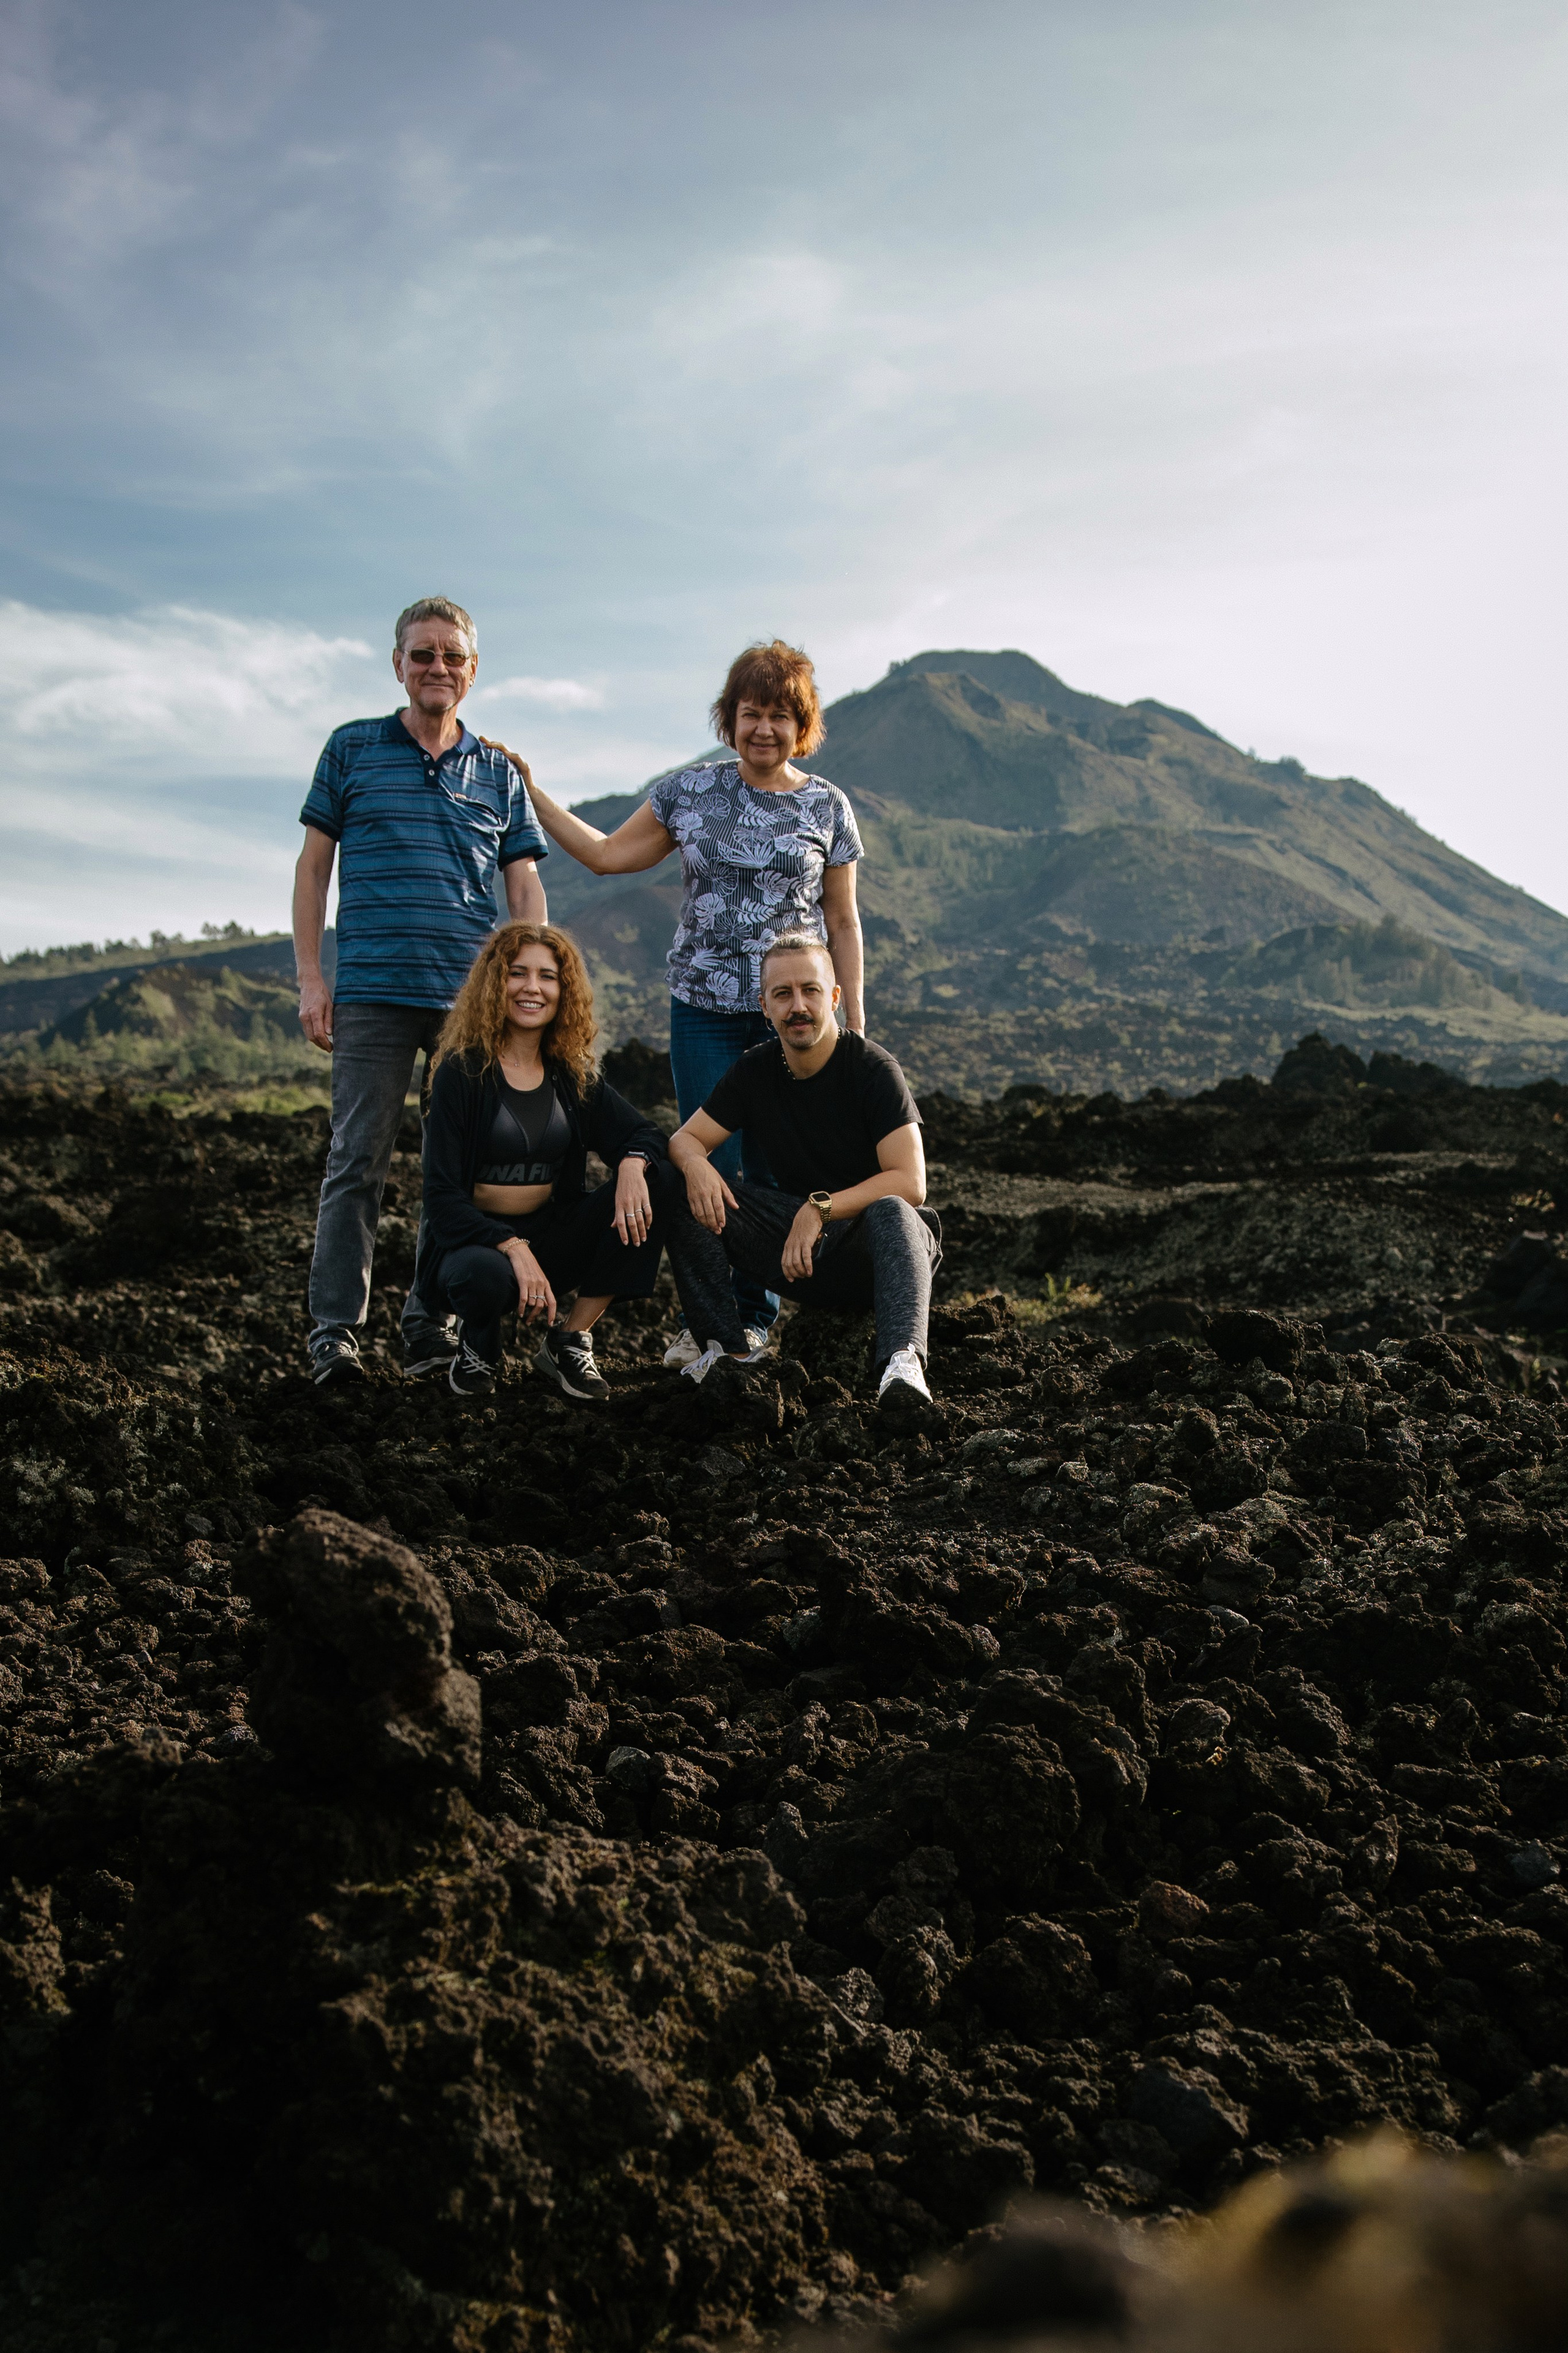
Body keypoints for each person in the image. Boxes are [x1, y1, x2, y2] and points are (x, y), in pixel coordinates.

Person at [481, 638, 864, 1365]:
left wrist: (856, 1021)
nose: (764, 730)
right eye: (752, 713)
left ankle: (758, 1314)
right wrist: (531, 790)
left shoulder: (827, 806)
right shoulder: (690, 793)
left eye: (781, 716)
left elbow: (842, 920)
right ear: (729, 718)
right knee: (707, 1164)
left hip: (799, 1018)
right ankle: (712, 1318)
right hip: (706, 1007)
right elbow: (603, 854)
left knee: (780, 1169)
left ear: (802, 725)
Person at [294, 596, 548, 1388]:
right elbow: (312, 869)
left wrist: (526, 984)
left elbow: (525, 886)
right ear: (398, 664)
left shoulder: (498, 772)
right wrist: (312, 977)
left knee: (460, 1170)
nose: (437, 667)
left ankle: (428, 1322)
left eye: (451, 656)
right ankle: (335, 1331)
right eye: (422, 654)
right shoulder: (350, 751)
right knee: (356, 1161)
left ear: (471, 670)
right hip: (369, 991)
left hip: (466, 1006)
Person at [663, 934, 938, 1407]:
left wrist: (820, 1209)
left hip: (876, 1252)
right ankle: (726, 1352)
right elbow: (684, 1139)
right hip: (799, 1252)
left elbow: (911, 1182)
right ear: (764, 1006)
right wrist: (695, 1165)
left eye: (811, 990)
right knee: (675, 1182)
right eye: (783, 994)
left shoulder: (873, 1069)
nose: (798, 1006)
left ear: (834, 997)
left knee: (892, 1209)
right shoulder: (756, 1070)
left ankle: (903, 1367)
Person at [417, 921, 674, 1401]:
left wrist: (632, 1165)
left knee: (662, 1178)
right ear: (496, 983)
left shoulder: (571, 1075)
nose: (532, 988)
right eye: (518, 973)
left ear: (564, 990)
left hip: (553, 1238)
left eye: (548, 976)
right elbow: (441, 1199)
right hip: (475, 1247)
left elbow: (645, 1133)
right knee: (483, 1276)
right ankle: (478, 1345)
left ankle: (569, 1338)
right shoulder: (461, 1071)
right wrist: (511, 1245)